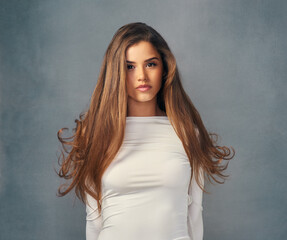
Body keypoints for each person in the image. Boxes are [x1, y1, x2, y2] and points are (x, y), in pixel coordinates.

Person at [56, 22, 235, 240]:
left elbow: (194, 214)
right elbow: (94, 221)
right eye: (129, 67)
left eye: (150, 64)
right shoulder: (96, 135)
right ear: (116, 73)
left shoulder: (188, 134)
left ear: (164, 68)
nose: (141, 76)